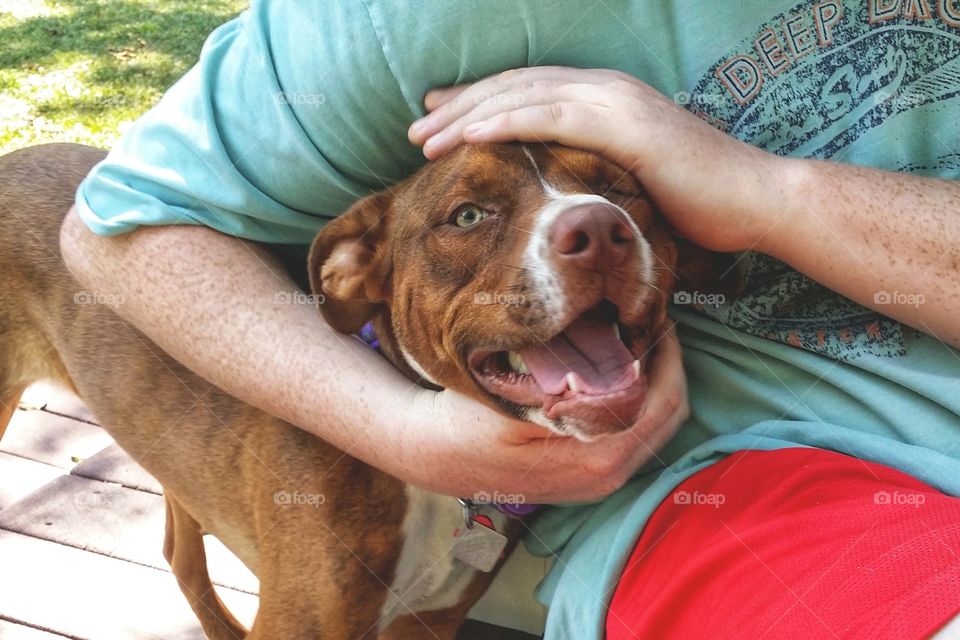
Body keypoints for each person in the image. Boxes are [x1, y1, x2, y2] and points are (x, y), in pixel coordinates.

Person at [62, 1, 960, 637]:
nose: (591, 226)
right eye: (468, 216)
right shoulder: (392, 23)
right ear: (348, 278)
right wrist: (401, 429)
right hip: (780, 505)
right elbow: (115, 226)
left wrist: (759, 189)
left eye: (615, 199)